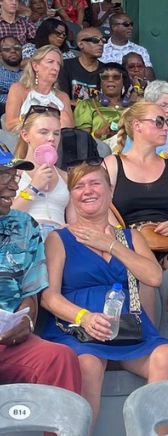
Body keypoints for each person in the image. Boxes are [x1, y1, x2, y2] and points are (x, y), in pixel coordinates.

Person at [39, 163, 168, 422]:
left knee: (167, 355)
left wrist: (111, 245)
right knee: (88, 364)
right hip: (78, 331)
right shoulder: (59, 239)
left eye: (95, 183)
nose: (87, 191)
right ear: (71, 195)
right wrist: (85, 317)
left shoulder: (131, 238)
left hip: (126, 330)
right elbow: (49, 297)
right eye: (79, 186)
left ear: (110, 190)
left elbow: (154, 277)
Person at [0, 148, 83, 392]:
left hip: (7, 341)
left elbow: (30, 290)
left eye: (15, 177)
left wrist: (26, 321)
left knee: (59, 359)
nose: (13, 186)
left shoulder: (24, 225)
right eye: (5, 176)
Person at [104, 101, 168, 268]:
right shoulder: (113, 164)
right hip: (128, 241)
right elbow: (104, 208)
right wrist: (124, 235)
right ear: (137, 125)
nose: (166, 128)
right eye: (159, 122)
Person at [11, 106, 68, 235]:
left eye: (56, 133)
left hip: (59, 239)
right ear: (25, 135)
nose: (51, 138)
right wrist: (33, 187)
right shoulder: (12, 173)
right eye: (44, 132)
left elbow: (75, 219)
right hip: (24, 237)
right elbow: (9, 218)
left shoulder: (65, 176)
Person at [5, 45, 74, 129]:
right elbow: (10, 125)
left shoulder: (63, 97)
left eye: (58, 64)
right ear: (35, 66)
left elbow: (70, 130)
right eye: (50, 62)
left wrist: (60, 113)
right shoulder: (18, 89)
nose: (56, 68)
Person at [74, 62, 128, 142]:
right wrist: (97, 134)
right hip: (99, 151)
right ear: (100, 83)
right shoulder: (87, 105)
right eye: (105, 77)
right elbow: (81, 140)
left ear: (123, 81)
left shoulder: (135, 107)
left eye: (116, 77)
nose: (110, 80)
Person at [58, 26, 104, 104]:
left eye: (103, 40)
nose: (101, 44)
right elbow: (62, 100)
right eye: (95, 40)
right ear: (81, 44)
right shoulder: (65, 66)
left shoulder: (106, 70)